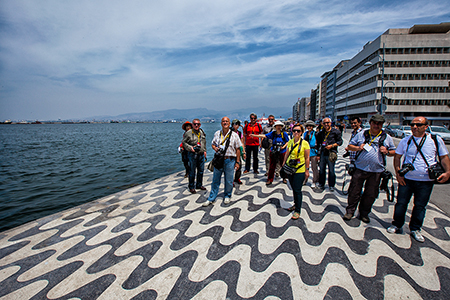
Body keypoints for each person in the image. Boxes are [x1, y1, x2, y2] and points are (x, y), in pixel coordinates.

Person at [387, 116, 450, 242]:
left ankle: (415, 228)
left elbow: (443, 157)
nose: (414, 127)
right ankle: (397, 224)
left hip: (426, 181)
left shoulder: (435, 140)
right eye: (412, 124)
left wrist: (448, 172)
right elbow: (397, 157)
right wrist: (398, 173)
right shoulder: (406, 140)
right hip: (407, 179)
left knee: (420, 205)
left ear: (426, 127)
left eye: (418, 125)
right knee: (401, 203)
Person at [343, 114, 396, 223]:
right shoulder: (361, 134)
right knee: (354, 191)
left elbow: (394, 152)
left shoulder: (386, 137)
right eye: (374, 123)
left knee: (370, 194)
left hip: (376, 171)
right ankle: (350, 211)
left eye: (379, 124)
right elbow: (350, 147)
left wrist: (387, 152)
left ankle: (364, 213)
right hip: (360, 168)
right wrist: (358, 147)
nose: (376, 125)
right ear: (370, 123)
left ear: (382, 125)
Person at [203, 117, 242, 206]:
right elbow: (213, 144)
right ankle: (211, 198)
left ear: (229, 123)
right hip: (219, 160)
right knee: (215, 180)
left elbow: (238, 149)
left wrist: (238, 162)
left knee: (229, 180)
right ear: (221, 123)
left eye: (226, 121)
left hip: (230, 160)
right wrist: (215, 148)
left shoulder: (234, 135)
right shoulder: (217, 133)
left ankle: (227, 195)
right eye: (223, 121)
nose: (225, 123)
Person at [282, 124, 310, 219]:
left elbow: (307, 158)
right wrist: (283, 163)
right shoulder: (290, 142)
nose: (296, 132)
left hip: (300, 169)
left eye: (298, 131)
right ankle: (295, 204)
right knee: (293, 188)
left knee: (298, 190)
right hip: (290, 168)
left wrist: (307, 170)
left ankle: (298, 210)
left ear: (301, 132)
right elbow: (287, 153)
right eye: (294, 131)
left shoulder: (305, 143)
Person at [251, 120, 290, 185]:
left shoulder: (284, 134)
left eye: (280, 126)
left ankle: (284, 178)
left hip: (282, 151)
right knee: (272, 165)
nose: (278, 127)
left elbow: (287, 141)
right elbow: (264, 136)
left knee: (283, 165)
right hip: (274, 150)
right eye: (277, 126)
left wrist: (283, 147)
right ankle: (270, 179)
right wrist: (255, 135)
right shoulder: (273, 133)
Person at [316, 117, 343, 191]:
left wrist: (332, 145)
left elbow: (340, 142)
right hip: (322, 153)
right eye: (324, 123)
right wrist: (318, 154)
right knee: (321, 169)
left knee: (331, 170)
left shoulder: (336, 132)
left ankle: (331, 185)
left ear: (330, 123)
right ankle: (321, 184)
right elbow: (318, 144)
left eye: (327, 123)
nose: (326, 124)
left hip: (331, 153)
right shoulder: (321, 133)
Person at [182, 118, 207, 194]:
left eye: (198, 124)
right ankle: (191, 186)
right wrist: (190, 148)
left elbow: (204, 142)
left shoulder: (201, 132)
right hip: (192, 155)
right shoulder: (189, 133)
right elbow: (184, 143)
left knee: (201, 171)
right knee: (192, 171)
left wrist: (205, 151)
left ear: (200, 125)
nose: (196, 125)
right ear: (192, 125)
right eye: (195, 124)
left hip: (201, 154)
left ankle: (199, 185)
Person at [303, 120, 319, 187]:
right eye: (307, 126)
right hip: (306, 152)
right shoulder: (305, 133)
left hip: (313, 152)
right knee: (305, 167)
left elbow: (318, 144)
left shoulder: (316, 134)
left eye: (310, 126)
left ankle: (315, 181)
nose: (309, 127)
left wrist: (318, 154)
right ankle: (304, 180)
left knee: (314, 167)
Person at [231, 119, 246, 185]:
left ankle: (237, 178)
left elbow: (242, 142)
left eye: (237, 124)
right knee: (231, 167)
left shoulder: (239, 133)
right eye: (235, 124)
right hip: (231, 152)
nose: (236, 126)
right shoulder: (229, 132)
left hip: (238, 152)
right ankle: (231, 180)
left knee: (239, 165)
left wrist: (244, 152)